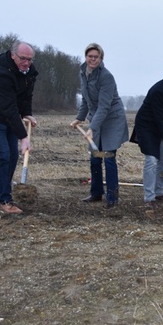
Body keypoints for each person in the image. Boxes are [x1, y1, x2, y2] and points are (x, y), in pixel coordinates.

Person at [0, 40, 38, 214]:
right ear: (13, 55)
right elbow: (8, 107)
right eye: (23, 58)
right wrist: (23, 137)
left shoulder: (29, 72)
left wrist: (27, 113)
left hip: (9, 115)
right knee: (3, 155)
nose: (26, 63)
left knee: (12, 156)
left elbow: (26, 97)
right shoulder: (1, 73)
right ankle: (5, 201)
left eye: (30, 59)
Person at [70, 43, 129, 209]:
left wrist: (92, 128)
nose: (93, 59)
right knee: (95, 157)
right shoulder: (84, 73)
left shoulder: (106, 77)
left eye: (96, 57)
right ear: (86, 57)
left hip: (112, 119)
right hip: (97, 118)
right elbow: (87, 100)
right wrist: (79, 118)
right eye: (90, 56)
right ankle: (96, 193)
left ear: (101, 58)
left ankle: (113, 198)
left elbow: (104, 106)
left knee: (108, 157)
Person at [130, 63, 163, 209]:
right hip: (146, 127)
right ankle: (149, 197)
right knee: (152, 160)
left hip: (159, 127)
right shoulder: (158, 91)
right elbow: (160, 120)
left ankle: (159, 192)